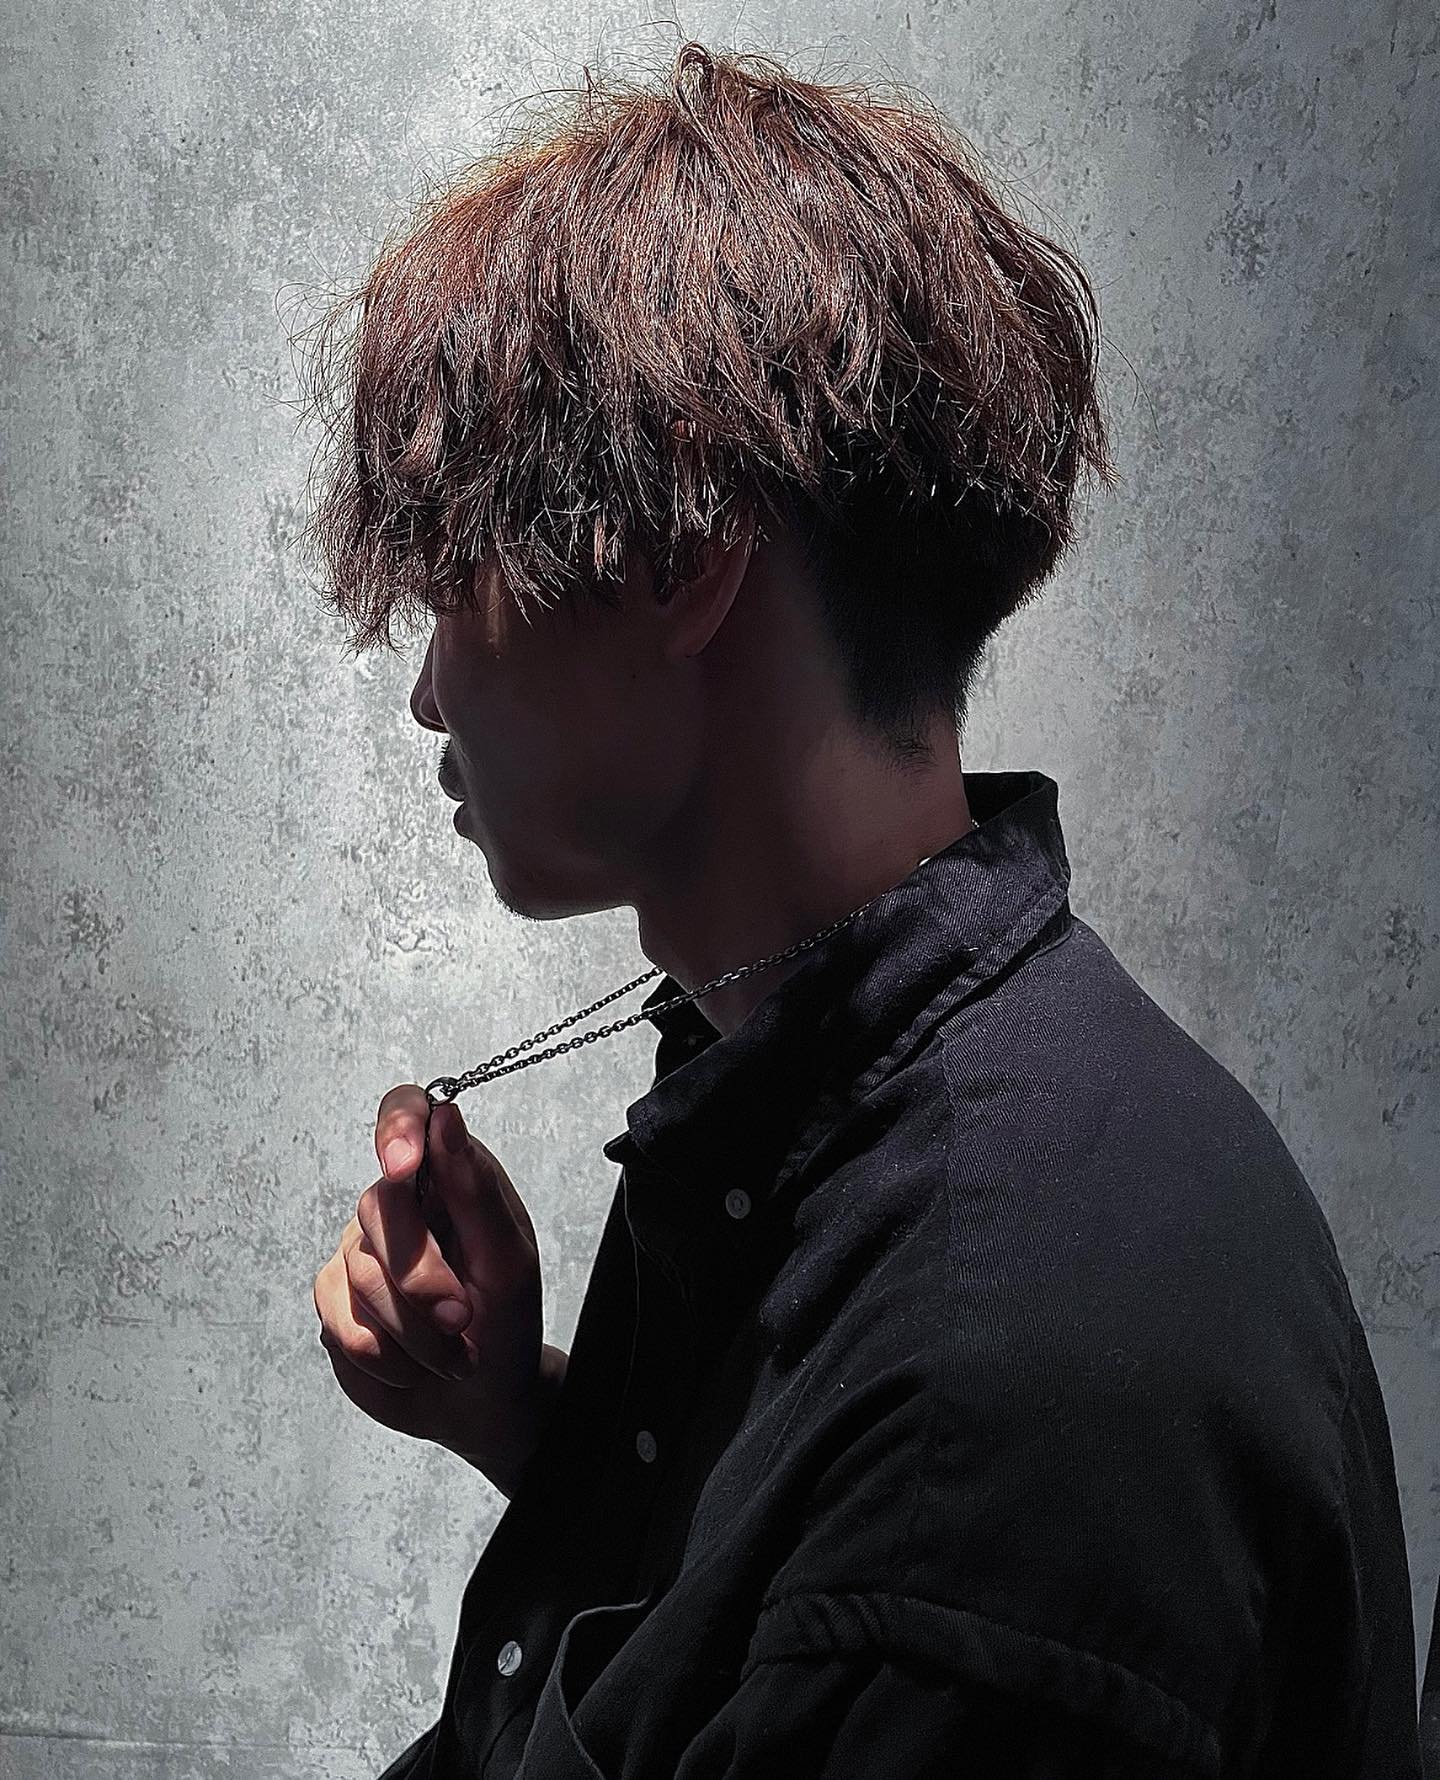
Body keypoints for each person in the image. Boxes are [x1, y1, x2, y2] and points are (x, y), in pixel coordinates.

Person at [301, 42, 1424, 1779]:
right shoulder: (821, 1101)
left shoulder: (1006, 1400)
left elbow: (888, 1578)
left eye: (455, 581)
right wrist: (545, 1432)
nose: (429, 692)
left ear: (684, 555)